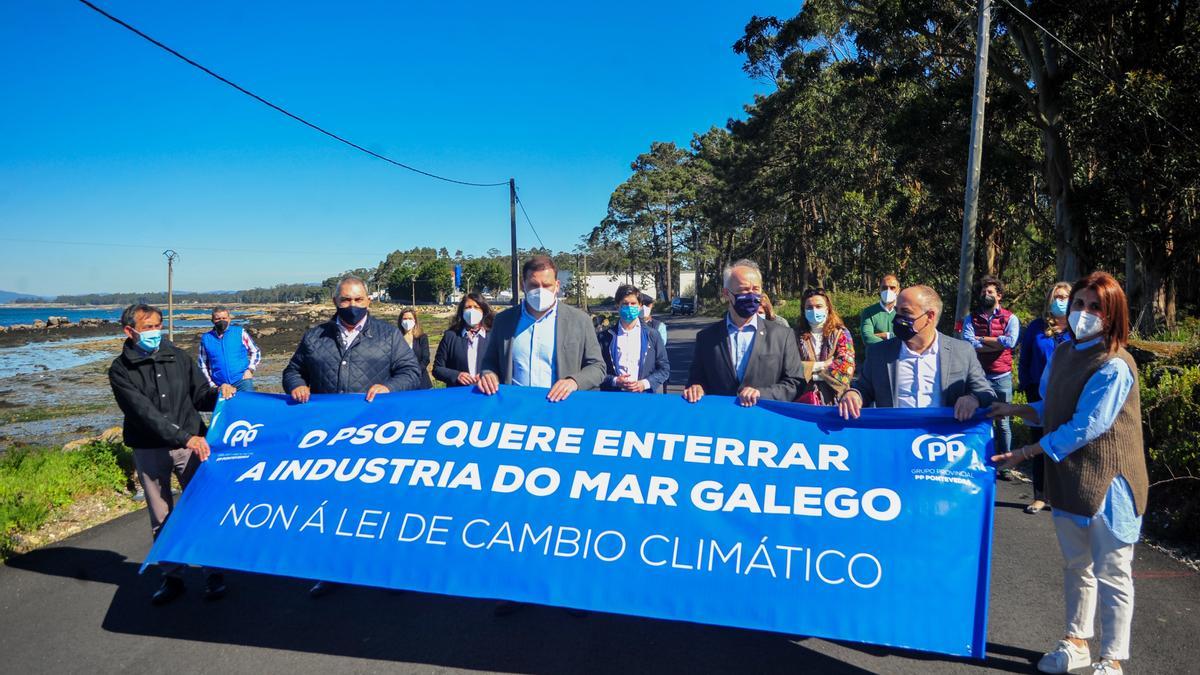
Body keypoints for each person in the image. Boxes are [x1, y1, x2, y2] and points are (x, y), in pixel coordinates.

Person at [989, 272, 1147, 675]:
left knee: (1113, 573)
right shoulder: (1063, 353)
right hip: (1071, 479)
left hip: (1112, 484)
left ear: (1112, 315)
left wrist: (1025, 452)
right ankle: (1076, 641)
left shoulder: (1115, 363)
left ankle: (1112, 659)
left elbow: (1086, 425)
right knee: (1077, 566)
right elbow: (1053, 406)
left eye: (1096, 307)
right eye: (1079, 304)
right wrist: (1015, 410)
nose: (1083, 312)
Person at [282, 276, 422, 598]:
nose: (353, 306)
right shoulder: (315, 336)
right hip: (329, 440)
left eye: (359, 300)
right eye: (346, 300)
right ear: (335, 302)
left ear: (369, 301)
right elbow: (292, 370)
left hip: (376, 437)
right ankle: (330, 569)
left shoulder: (387, 336)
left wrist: (389, 387)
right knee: (330, 502)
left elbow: (411, 372)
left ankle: (388, 570)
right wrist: (295, 385)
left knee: (380, 502)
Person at [108, 303, 236, 605]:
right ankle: (172, 575)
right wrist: (185, 437)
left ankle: (212, 571)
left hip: (192, 446)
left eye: (157, 325)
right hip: (150, 448)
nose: (154, 332)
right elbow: (143, 414)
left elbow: (200, 395)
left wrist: (220, 394)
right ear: (130, 331)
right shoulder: (120, 369)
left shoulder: (179, 357)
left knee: (202, 507)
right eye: (148, 327)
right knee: (161, 514)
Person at [837, 285, 994, 420]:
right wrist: (853, 394)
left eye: (905, 312)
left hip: (943, 444)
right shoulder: (879, 353)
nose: (897, 319)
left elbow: (986, 392)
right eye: (897, 311)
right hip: (895, 443)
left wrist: (973, 399)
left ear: (929, 316)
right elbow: (863, 388)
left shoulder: (962, 352)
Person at [477, 255, 606, 402]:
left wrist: (573, 382)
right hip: (515, 408)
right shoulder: (504, 320)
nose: (540, 291)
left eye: (546, 285)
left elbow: (597, 367)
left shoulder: (579, 320)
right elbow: (490, 362)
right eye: (533, 285)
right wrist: (489, 374)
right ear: (522, 285)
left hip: (560, 411)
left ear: (557, 286)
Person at [683, 259, 803, 406]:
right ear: (726, 294)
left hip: (763, 421)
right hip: (721, 422)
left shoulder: (783, 336)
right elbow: (696, 379)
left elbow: (795, 383)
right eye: (744, 290)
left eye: (756, 289)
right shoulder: (706, 338)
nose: (751, 295)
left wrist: (762, 394)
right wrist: (696, 387)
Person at [1016, 281, 1073, 514]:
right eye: (1056, 296)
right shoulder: (1036, 327)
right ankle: (1040, 495)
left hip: (1068, 394)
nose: (1060, 301)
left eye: (1065, 297)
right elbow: (1025, 358)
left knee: (1064, 444)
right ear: (1049, 300)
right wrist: (1027, 385)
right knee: (1039, 442)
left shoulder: (1076, 329)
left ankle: (1064, 497)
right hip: (1038, 393)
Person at [961, 275, 1021, 476]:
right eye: (983, 291)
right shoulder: (971, 318)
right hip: (978, 377)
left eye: (990, 292)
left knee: (1003, 424)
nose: (986, 295)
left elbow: (1010, 341)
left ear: (999, 296)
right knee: (978, 420)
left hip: (1002, 376)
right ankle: (980, 461)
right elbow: (969, 344)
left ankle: (1005, 465)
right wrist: (995, 343)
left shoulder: (1010, 318)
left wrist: (983, 340)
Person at [598, 284, 670, 393]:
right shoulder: (605, 337)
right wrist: (615, 381)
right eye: (625, 304)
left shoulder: (652, 335)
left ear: (640, 306)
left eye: (633, 303)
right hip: (614, 398)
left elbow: (664, 369)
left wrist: (645, 384)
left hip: (644, 398)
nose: (630, 307)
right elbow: (596, 369)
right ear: (617, 306)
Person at [793, 288, 855, 405]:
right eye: (809, 307)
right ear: (803, 310)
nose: (814, 310)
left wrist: (810, 373)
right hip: (804, 398)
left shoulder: (841, 333)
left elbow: (846, 365)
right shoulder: (795, 335)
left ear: (827, 309)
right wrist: (821, 365)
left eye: (818, 306)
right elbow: (790, 365)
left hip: (835, 399)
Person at [433, 292, 493, 387]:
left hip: (485, 394)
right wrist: (456, 375)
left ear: (483, 310)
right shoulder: (450, 336)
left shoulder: (493, 336)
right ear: (462, 311)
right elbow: (437, 369)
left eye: (476, 307)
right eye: (468, 307)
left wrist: (488, 375)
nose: (472, 310)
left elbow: (504, 367)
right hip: (459, 395)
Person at [197, 306, 261, 392]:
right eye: (218, 319)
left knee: (246, 405)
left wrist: (250, 369)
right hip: (220, 385)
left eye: (224, 318)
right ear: (212, 321)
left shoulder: (239, 332)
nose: (221, 321)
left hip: (242, 382)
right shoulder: (206, 338)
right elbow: (202, 365)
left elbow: (255, 351)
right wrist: (212, 385)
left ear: (229, 319)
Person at [860, 274, 900, 347]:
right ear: (880, 289)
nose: (888, 291)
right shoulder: (868, 312)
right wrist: (896, 340)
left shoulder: (904, 312)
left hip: (900, 358)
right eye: (884, 287)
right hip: (875, 357)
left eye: (892, 288)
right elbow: (867, 338)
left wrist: (887, 335)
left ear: (898, 290)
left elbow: (910, 336)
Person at [398, 308, 432, 389]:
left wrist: (415, 372)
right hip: (402, 382)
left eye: (410, 318)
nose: (407, 321)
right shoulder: (397, 338)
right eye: (405, 318)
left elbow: (426, 358)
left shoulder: (422, 337)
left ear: (415, 320)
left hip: (422, 382)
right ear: (400, 321)